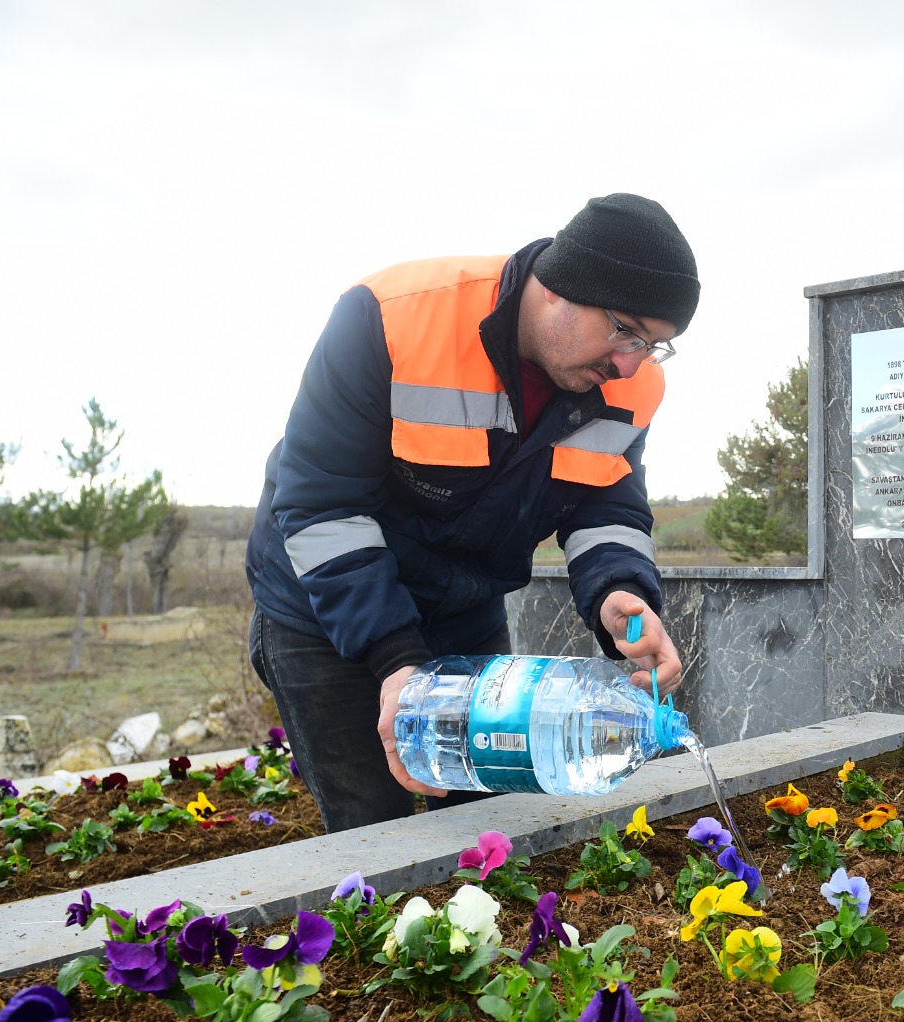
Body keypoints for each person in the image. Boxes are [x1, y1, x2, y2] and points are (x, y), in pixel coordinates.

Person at [244, 192, 698, 833]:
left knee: (491, 821)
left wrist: (620, 591)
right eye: (625, 330)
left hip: (463, 611)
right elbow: (322, 506)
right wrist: (395, 657)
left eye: (655, 345)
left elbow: (605, 497)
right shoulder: (390, 318)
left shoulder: (629, 384)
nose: (630, 362)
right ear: (556, 290)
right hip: (327, 616)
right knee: (376, 832)